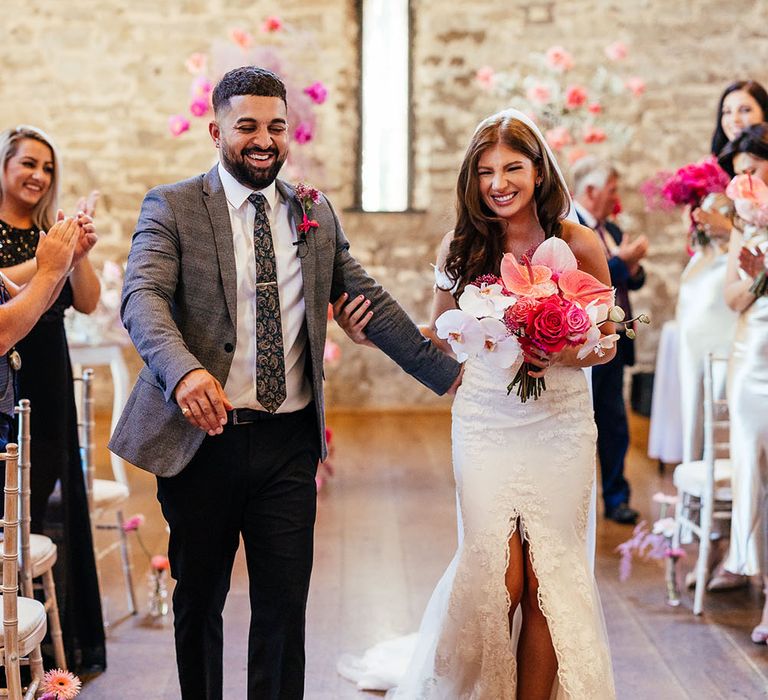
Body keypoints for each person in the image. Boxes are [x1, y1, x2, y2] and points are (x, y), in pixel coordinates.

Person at [108, 66, 461, 700]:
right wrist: (184, 370)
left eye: (276, 126)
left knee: (282, 609)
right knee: (200, 601)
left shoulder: (312, 211)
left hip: (287, 445)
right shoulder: (174, 205)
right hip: (202, 441)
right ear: (216, 130)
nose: (263, 139)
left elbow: (368, 301)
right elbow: (143, 298)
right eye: (246, 126)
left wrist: (454, 378)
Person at [336, 109, 616, 699]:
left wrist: (562, 349)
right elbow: (441, 332)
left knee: (548, 581)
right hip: (487, 419)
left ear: (538, 171)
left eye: (513, 167)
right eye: (486, 171)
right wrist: (373, 336)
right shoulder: (462, 245)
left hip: (560, 421)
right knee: (499, 577)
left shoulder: (577, 241)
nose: (499, 182)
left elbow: (608, 340)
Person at [0, 125, 105, 672]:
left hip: (48, 375)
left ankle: (38, 635)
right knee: (5, 503)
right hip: (5, 375)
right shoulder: (36, 245)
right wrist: (50, 262)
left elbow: (87, 302)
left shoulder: (53, 236)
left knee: (42, 492)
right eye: (28, 164)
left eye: (47, 168)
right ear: (4, 165)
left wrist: (77, 254)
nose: (39, 176)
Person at [571, 156, 647, 525]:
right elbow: (584, 279)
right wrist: (621, 262)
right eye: (612, 190)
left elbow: (631, 279)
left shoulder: (612, 230)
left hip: (615, 339)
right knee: (583, 421)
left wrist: (631, 265)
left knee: (615, 420)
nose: (616, 198)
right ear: (591, 191)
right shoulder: (570, 228)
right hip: (582, 341)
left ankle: (617, 497)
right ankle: (577, 500)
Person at [717, 123, 768, 644]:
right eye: (740, 173)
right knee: (751, 473)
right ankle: (760, 581)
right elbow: (731, 297)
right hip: (751, 362)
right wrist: (758, 278)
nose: (745, 180)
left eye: (753, 169)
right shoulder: (742, 221)